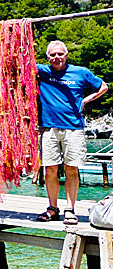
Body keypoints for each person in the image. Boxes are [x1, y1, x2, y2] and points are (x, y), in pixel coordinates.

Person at [37, 40, 108, 224]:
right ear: (47, 57)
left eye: (60, 54)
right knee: (50, 169)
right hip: (49, 127)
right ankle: (52, 208)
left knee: (71, 169)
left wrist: (85, 100)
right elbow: (17, 64)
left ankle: (70, 209)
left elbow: (103, 87)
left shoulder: (80, 72)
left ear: (66, 55)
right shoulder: (42, 71)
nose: (56, 57)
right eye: (52, 55)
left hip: (73, 128)